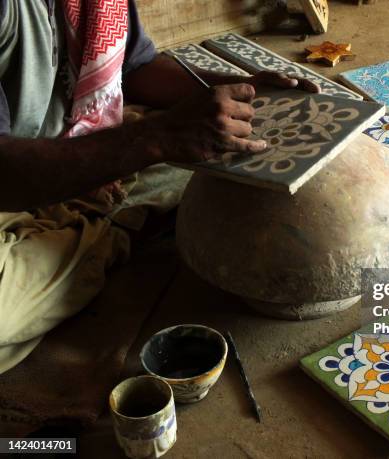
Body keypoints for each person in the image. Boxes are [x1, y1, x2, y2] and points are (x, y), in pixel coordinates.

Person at [0, 0, 319, 374]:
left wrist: (239, 90)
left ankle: (106, 223)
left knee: (228, 160)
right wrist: (156, 139)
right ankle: (115, 230)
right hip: (14, 176)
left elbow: (134, 67)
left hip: (77, 139)